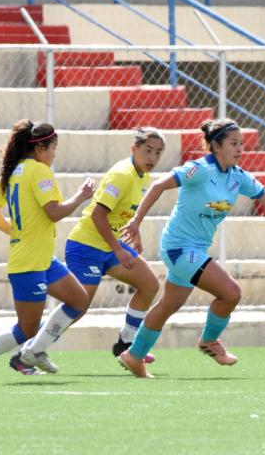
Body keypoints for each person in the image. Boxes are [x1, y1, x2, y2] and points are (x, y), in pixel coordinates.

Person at [118, 118, 265, 378]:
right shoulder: (200, 169)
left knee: (168, 305)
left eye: (241, 143)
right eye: (233, 143)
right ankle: (209, 341)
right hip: (179, 248)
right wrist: (136, 221)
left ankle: (134, 355)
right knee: (230, 292)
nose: (240, 149)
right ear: (216, 146)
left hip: (194, 250)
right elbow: (160, 185)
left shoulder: (238, 177)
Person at [0, 119, 95, 385]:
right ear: (41, 148)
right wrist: (80, 195)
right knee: (26, 328)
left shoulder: (15, 171)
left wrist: (14, 231)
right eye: (54, 148)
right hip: (29, 263)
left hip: (42, 260)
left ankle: (34, 350)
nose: (54, 154)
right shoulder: (39, 172)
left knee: (78, 299)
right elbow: (53, 212)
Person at [13, 127, 166, 370]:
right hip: (86, 246)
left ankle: (126, 344)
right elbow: (97, 215)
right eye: (147, 150)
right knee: (78, 307)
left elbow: (120, 213)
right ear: (133, 149)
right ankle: (27, 351)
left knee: (149, 285)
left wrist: (132, 233)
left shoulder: (142, 176)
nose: (153, 158)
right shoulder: (122, 174)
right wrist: (118, 249)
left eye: (158, 153)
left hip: (110, 245)